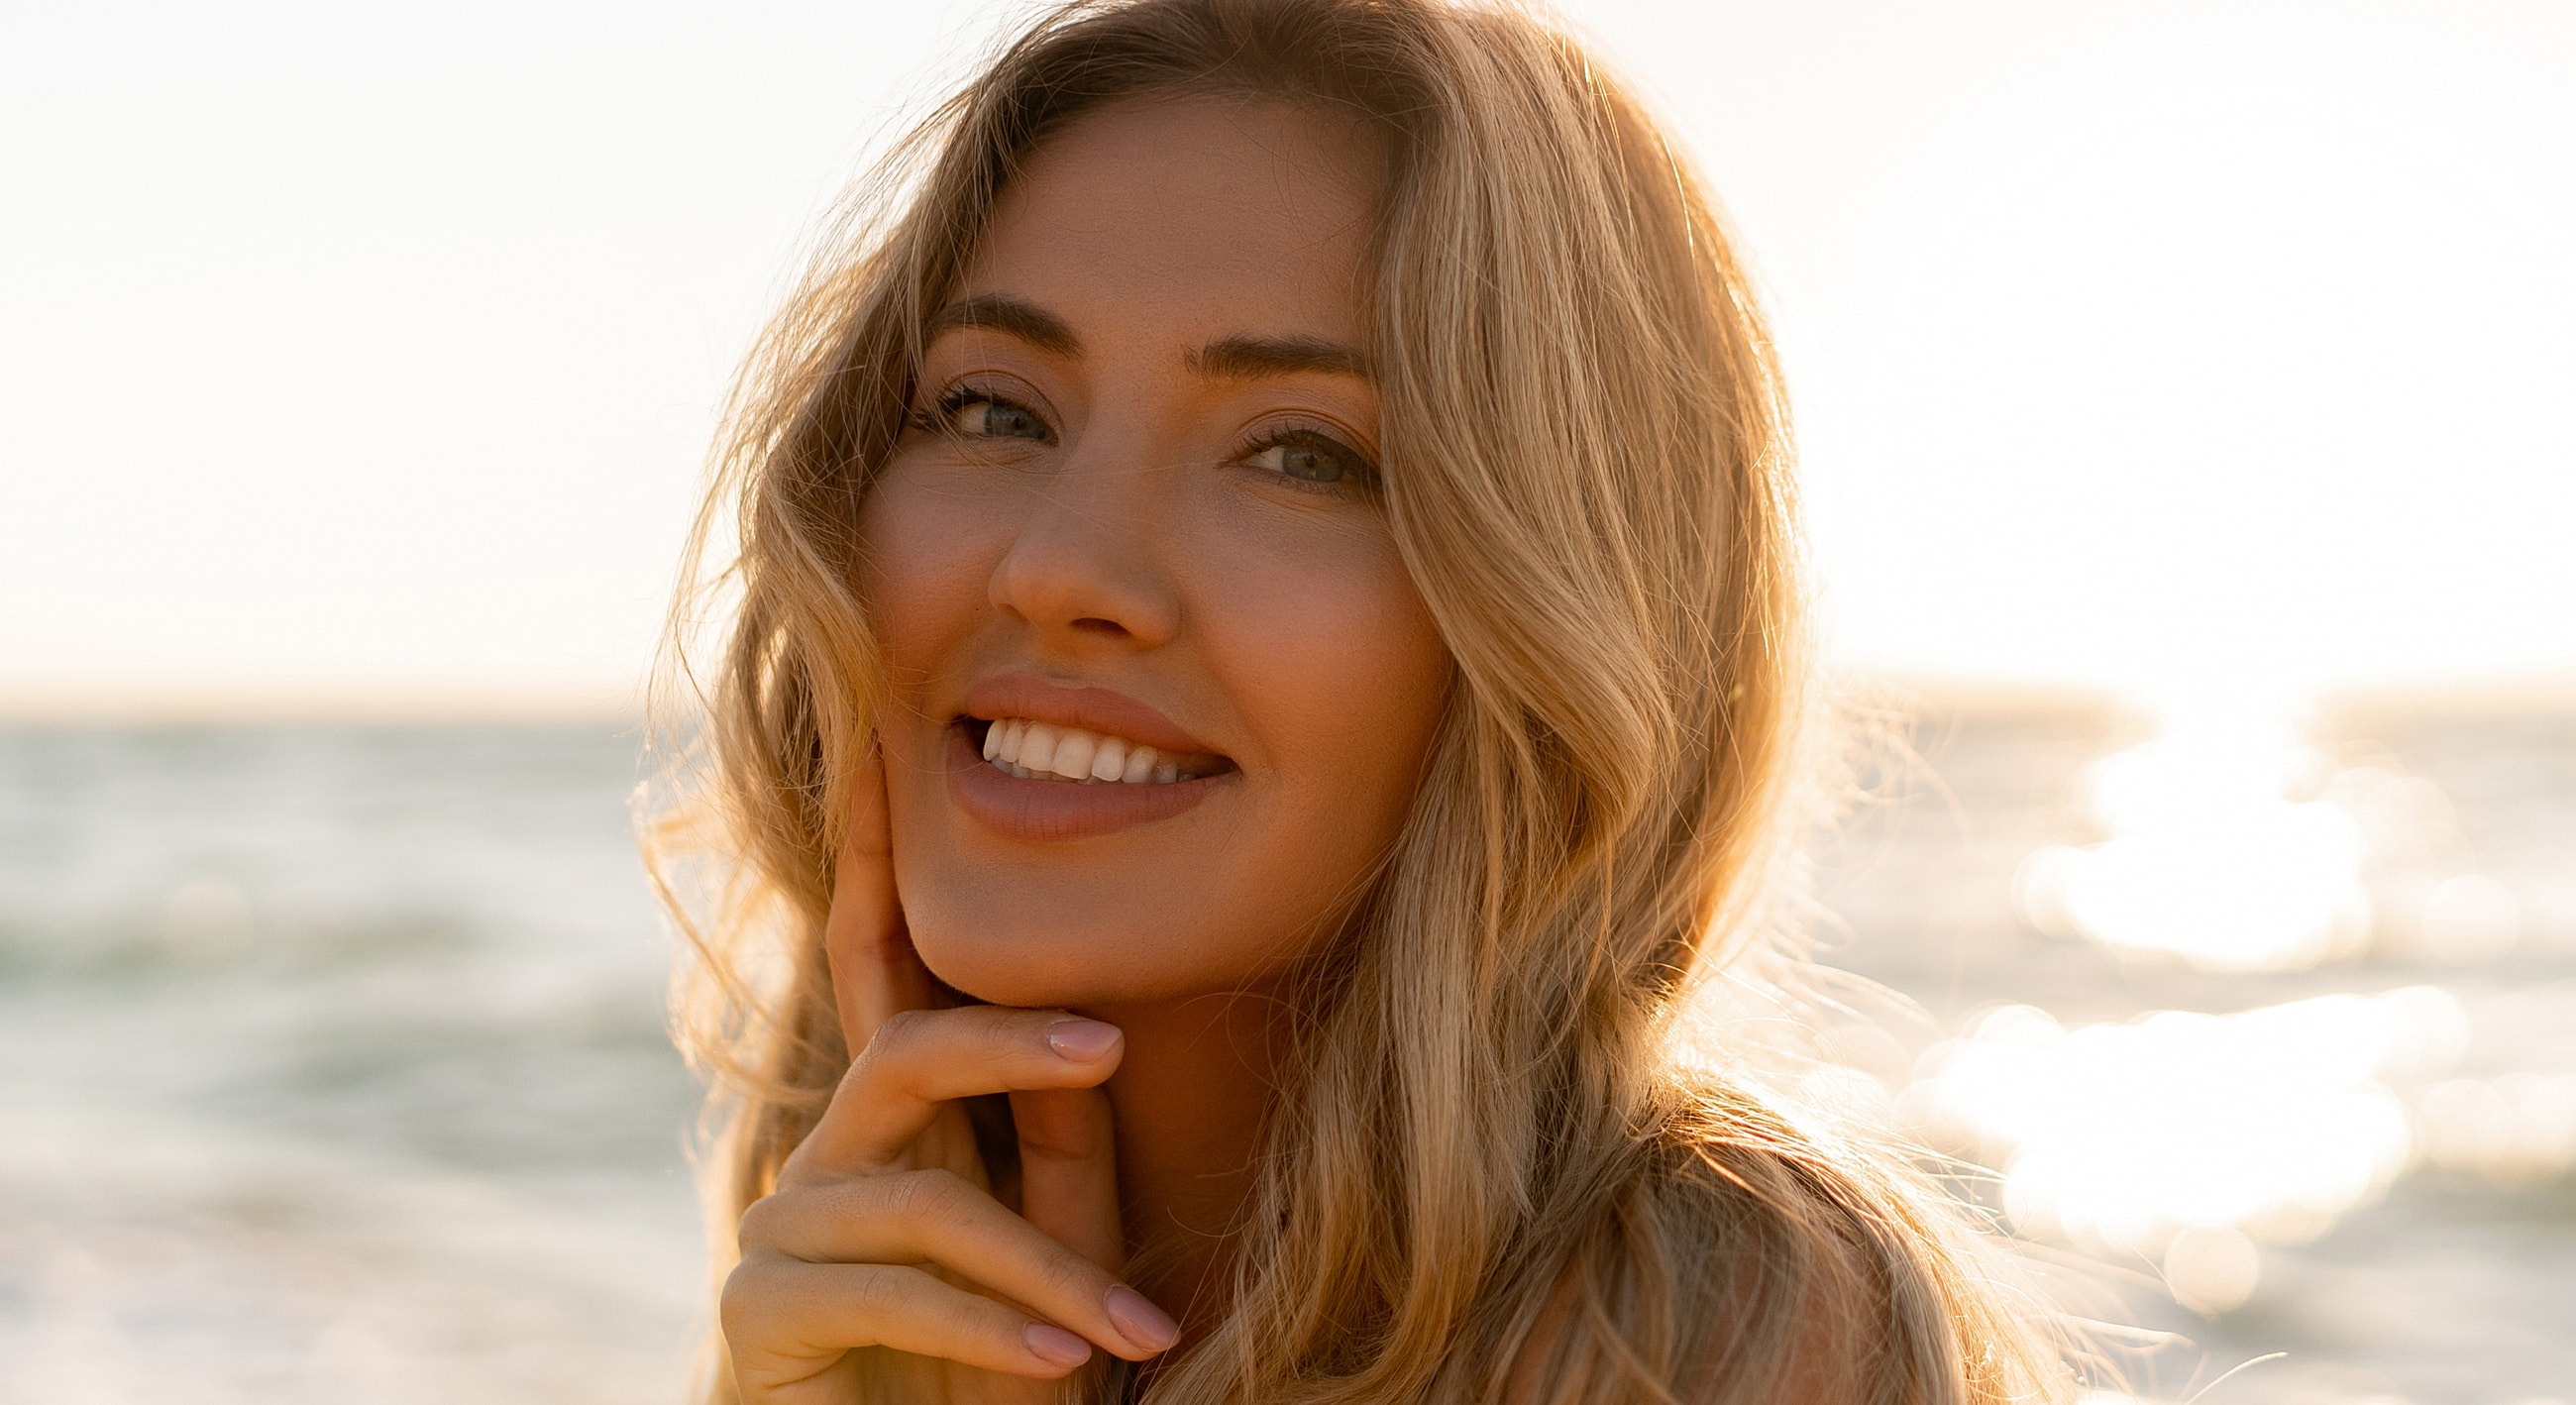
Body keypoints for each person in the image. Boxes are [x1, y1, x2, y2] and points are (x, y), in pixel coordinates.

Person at [651, 0, 2072, 1399]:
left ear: (1550, 612)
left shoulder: (1714, 1331)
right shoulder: (853, 1292)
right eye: (991, 409)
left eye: (1302, 455)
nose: (1057, 567)